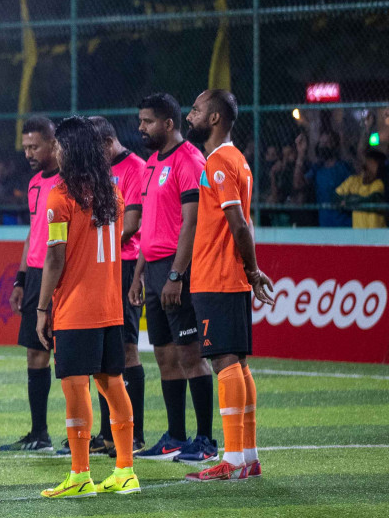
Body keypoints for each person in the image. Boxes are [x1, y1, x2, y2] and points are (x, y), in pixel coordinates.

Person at [34, 116, 140, 498]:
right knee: (113, 384)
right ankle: (125, 471)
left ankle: (80, 475)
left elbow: (54, 259)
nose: (55, 151)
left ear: (72, 150)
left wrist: (43, 308)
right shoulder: (113, 193)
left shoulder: (61, 196)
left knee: (75, 386)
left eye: (60, 146)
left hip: (77, 309)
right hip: (110, 306)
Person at [184, 89, 276, 482]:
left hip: (218, 276)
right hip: (231, 276)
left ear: (215, 118)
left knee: (223, 361)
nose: (190, 116)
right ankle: (248, 456)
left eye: (197, 110)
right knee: (238, 361)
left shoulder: (220, 161)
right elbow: (246, 225)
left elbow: (238, 223)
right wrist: (250, 270)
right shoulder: (238, 159)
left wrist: (253, 272)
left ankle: (234, 460)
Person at [129, 93, 216, 464]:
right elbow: (150, 225)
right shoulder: (151, 163)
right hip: (153, 270)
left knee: (190, 355)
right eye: (140, 121)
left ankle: (206, 440)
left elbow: (191, 225)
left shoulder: (190, 159)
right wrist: (138, 275)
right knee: (164, 356)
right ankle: (176, 437)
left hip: (178, 269)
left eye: (147, 121)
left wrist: (177, 275)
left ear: (168, 124)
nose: (141, 128)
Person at [0, 116, 60, 453]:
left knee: (69, 358)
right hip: (36, 275)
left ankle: (92, 436)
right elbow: (33, 233)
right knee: (35, 356)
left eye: (34, 146)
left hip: (61, 273)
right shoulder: (35, 183)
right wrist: (20, 279)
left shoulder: (71, 182)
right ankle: (39, 434)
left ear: (53, 143)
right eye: (25, 147)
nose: (29, 153)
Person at [91, 116, 147, 453]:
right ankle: (107, 433)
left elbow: (133, 221)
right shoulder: (102, 172)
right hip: (106, 264)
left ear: (107, 143)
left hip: (126, 264)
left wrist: (99, 245)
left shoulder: (135, 168)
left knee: (126, 348)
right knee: (103, 352)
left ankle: (135, 434)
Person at [294, 130, 353, 228]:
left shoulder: (343, 167)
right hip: (324, 224)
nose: (323, 146)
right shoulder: (317, 168)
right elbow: (298, 184)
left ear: (334, 145)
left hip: (344, 223)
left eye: (327, 143)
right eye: (321, 143)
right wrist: (300, 154)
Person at [336, 149, 386, 229]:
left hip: (377, 232)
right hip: (359, 233)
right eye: (369, 163)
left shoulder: (379, 183)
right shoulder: (353, 180)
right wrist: (357, 201)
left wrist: (349, 202)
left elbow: (373, 199)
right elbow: (336, 197)